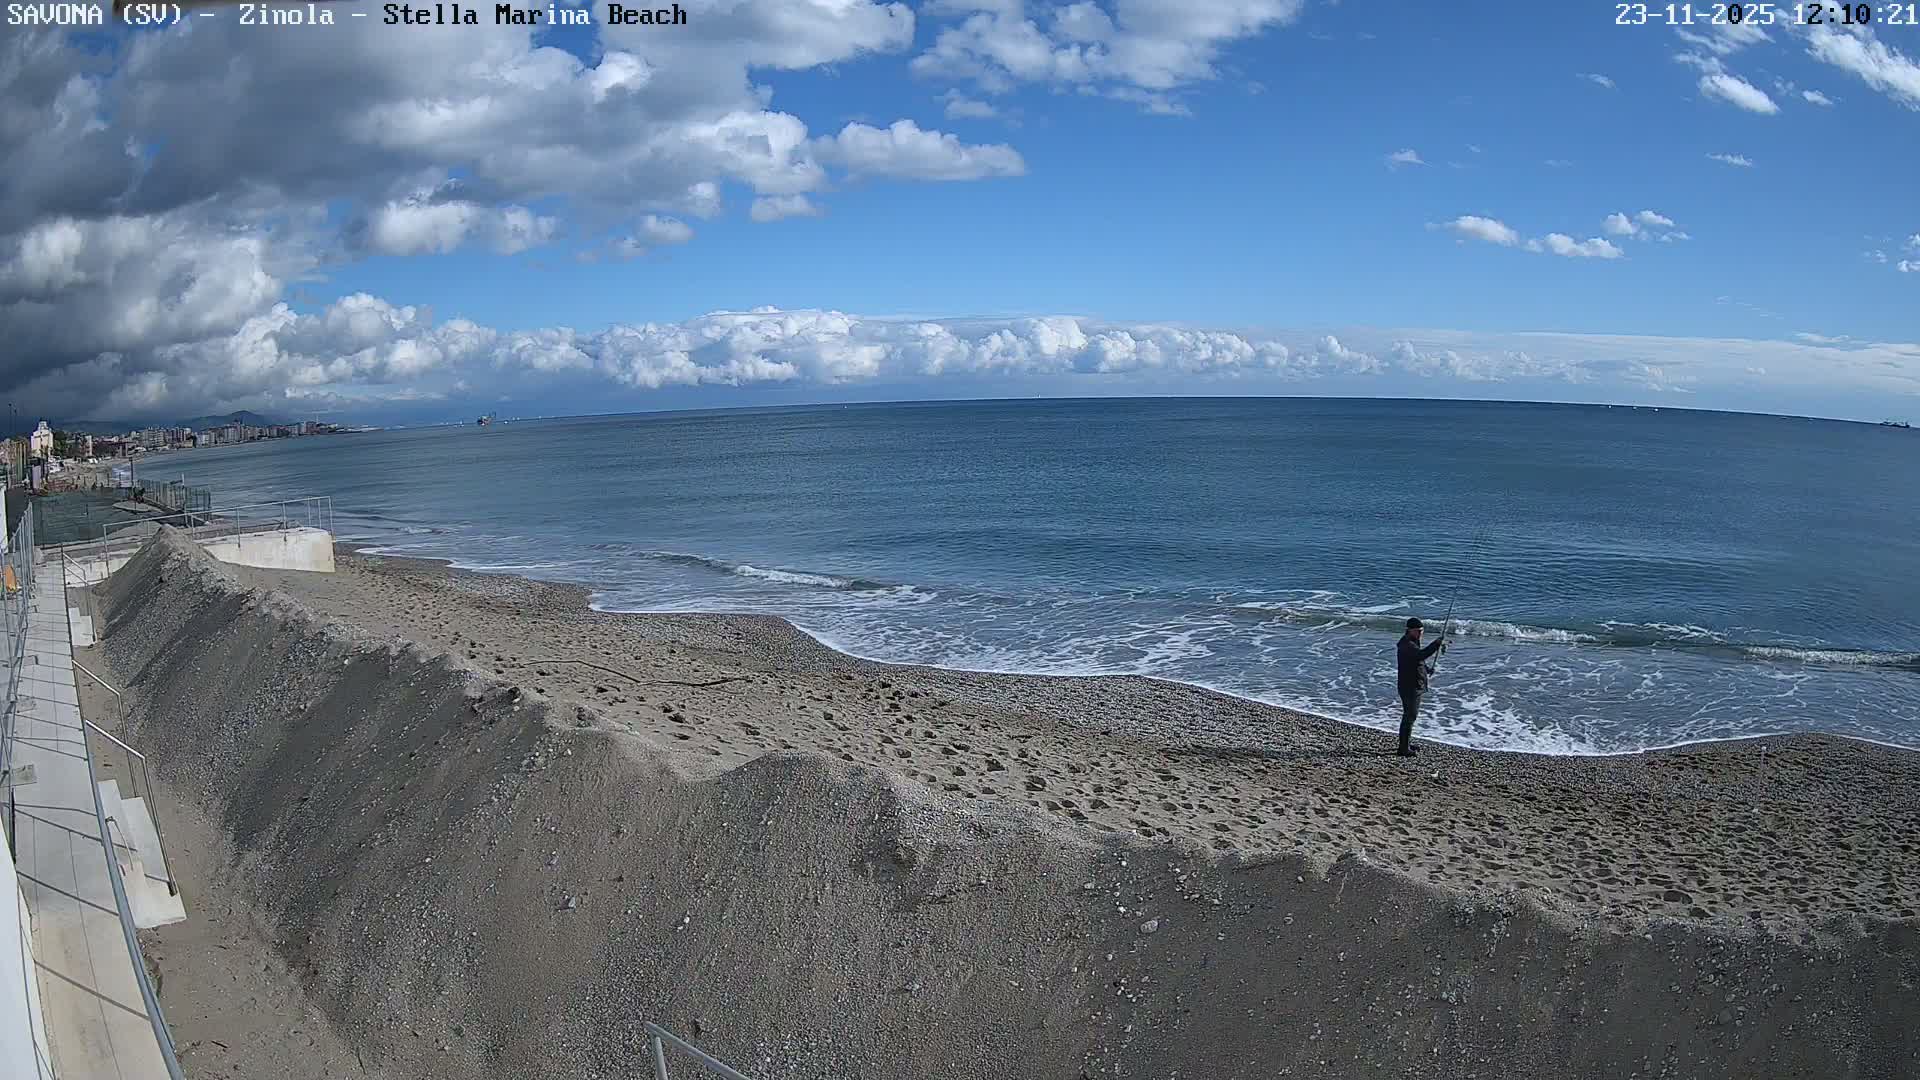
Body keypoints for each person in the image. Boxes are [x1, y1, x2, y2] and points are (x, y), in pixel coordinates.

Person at [1394, 616, 1445, 757]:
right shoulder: (1406, 645)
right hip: (1410, 686)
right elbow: (1420, 655)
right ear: (1410, 630)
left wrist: (1427, 669)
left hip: (1412, 685)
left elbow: (1417, 660)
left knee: (1410, 716)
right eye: (1418, 631)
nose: (1420, 633)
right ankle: (1403, 748)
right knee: (1409, 716)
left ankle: (1406, 744)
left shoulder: (1411, 643)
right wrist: (1436, 644)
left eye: (1421, 631)